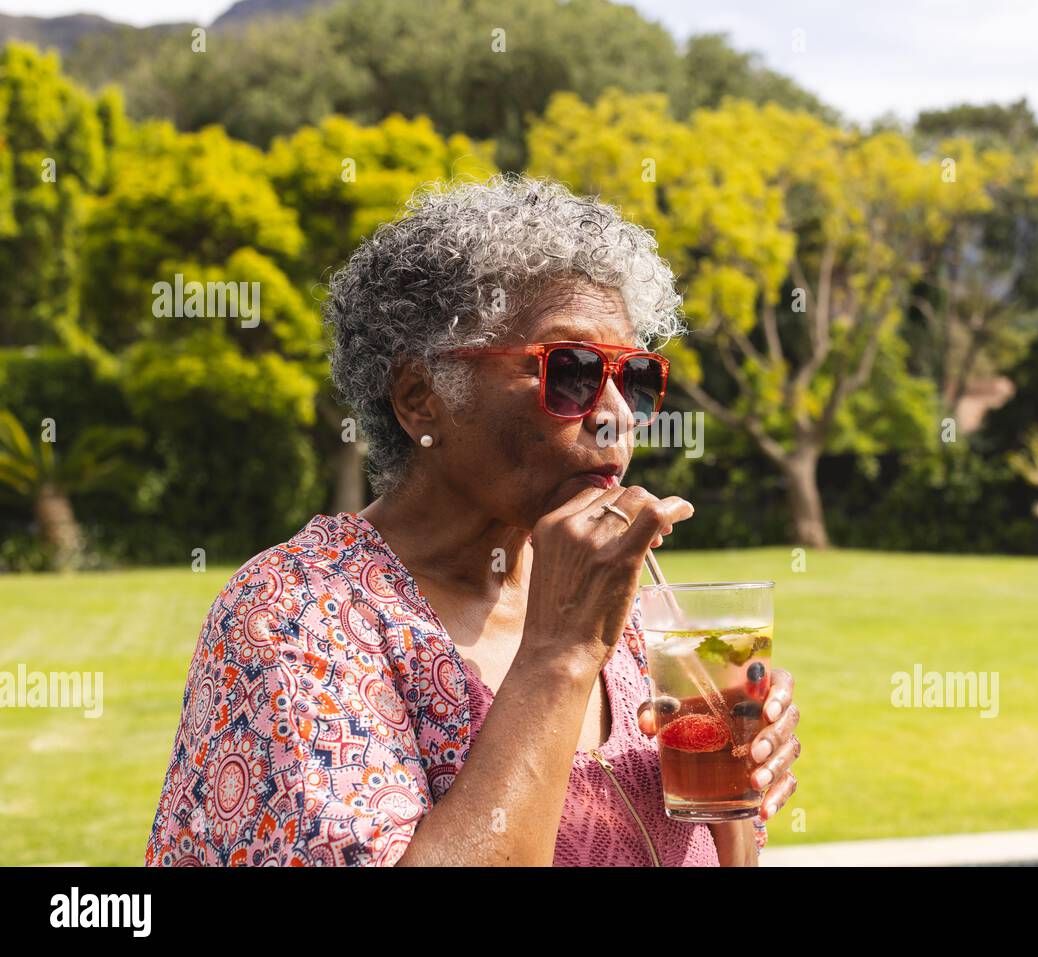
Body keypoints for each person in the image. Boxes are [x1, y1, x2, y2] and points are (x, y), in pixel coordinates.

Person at [145, 173, 800, 866]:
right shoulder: (297, 617)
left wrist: (737, 786)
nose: (614, 415)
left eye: (634, 377)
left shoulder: (634, 610)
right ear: (420, 398)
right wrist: (560, 654)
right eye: (571, 370)